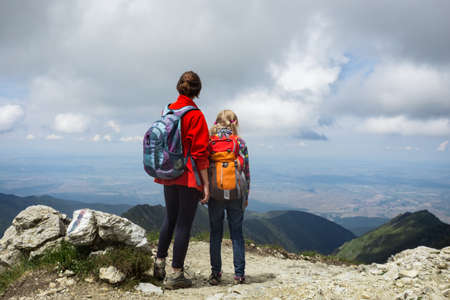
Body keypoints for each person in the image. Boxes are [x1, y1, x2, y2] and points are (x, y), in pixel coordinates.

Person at [153, 71, 210, 289]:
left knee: (170, 218)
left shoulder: (167, 109)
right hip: (187, 176)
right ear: (197, 91)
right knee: (184, 223)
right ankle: (176, 274)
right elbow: (200, 154)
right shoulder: (196, 115)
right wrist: (205, 185)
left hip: (168, 172)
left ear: (179, 86)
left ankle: (159, 263)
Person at [207, 110, 250, 285]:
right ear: (235, 123)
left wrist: (205, 191)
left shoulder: (210, 141)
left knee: (215, 234)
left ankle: (216, 274)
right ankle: (239, 274)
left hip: (215, 192)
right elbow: (246, 171)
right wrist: (246, 195)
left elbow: (204, 166)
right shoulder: (240, 143)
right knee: (237, 234)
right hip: (236, 192)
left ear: (217, 122)